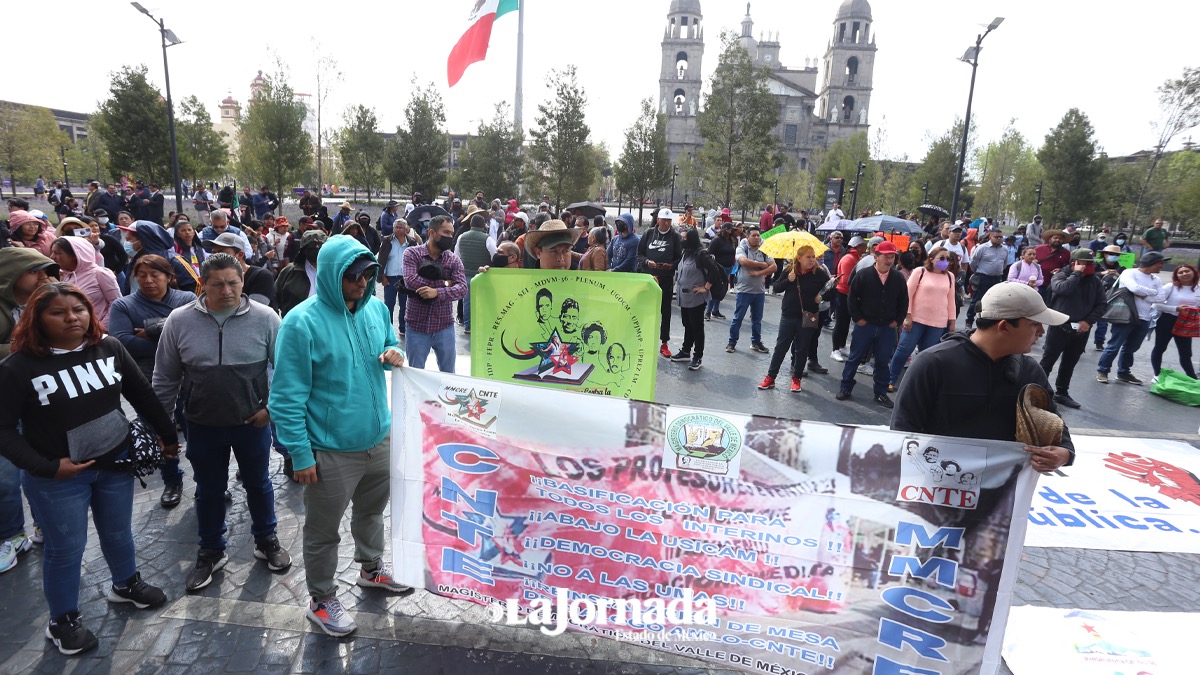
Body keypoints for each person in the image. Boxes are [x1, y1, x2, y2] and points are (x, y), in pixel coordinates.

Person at [0, 283, 179, 655]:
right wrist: (46, 467)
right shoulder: (18, 367)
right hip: (58, 477)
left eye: (79, 309)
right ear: (37, 318)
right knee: (66, 548)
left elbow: (141, 393)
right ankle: (62, 620)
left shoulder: (109, 347)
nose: (72, 318)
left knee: (117, 532)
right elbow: (3, 430)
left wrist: (168, 436)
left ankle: (126, 584)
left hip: (114, 463)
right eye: (59, 312)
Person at [269, 236, 408, 637]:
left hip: (377, 439)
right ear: (331, 273)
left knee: (371, 513)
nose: (362, 282)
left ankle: (370, 568)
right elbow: (285, 398)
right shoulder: (301, 322)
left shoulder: (377, 310)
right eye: (353, 275)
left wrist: (394, 353)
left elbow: (389, 344)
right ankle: (321, 599)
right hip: (329, 451)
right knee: (322, 531)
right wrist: (300, 453)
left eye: (368, 273)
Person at [153, 254, 290, 592]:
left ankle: (265, 539)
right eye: (218, 284)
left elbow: (289, 370)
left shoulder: (266, 318)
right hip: (201, 423)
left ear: (243, 282)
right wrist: (163, 426)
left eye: (233, 282)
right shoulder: (178, 321)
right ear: (203, 284)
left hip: (252, 423)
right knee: (209, 489)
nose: (227, 290)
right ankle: (211, 550)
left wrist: (270, 410)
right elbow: (165, 378)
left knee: (258, 483)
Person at [892, 283, 1075, 473]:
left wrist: (1064, 453)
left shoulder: (1030, 371)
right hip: (936, 487)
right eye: (1034, 324)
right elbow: (903, 429)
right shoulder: (932, 364)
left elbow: (1054, 423)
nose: (1042, 332)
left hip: (1003, 491)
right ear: (1004, 326)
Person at [108, 255, 197, 508]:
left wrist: (150, 330)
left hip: (189, 380)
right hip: (147, 382)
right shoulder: (123, 306)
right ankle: (172, 480)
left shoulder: (187, 300)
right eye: (141, 275)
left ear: (168, 276)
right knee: (159, 431)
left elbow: (194, 336)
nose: (148, 281)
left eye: (154, 275)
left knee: (196, 433)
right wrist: (172, 336)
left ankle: (205, 480)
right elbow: (123, 343)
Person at [836, 241, 907, 408]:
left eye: (892, 257)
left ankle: (880, 392)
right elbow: (852, 298)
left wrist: (897, 320)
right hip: (865, 325)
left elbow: (903, 301)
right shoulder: (864, 274)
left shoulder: (897, 277)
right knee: (854, 358)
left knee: (882, 361)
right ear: (876, 257)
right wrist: (858, 318)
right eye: (886, 257)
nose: (889, 260)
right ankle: (845, 387)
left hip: (887, 327)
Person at [758, 245, 834, 393]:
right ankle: (771, 377)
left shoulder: (819, 273)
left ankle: (796, 378)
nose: (812, 260)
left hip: (808, 316)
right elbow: (777, 288)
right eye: (808, 257)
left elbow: (833, 291)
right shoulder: (789, 270)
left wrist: (822, 297)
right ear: (799, 258)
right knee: (781, 348)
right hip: (788, 316)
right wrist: (789, 280)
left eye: (813, 257)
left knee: (802, 349)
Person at [1039, 249, 1108, 409]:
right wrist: (1076, 274)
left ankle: (1062, 392)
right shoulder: (1060, 276)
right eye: (1084, 263)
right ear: (1074, 263)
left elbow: (1102, 304)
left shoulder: (1095, 281)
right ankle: (1038, 389)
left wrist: (1088, 321)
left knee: (1069, 363)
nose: (1088, 267)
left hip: (1081, 329)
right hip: (1060, 327)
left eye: (1090, 263)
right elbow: (1062, 289)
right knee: (1047, 361)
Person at [402, 216, 468, 372]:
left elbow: (462, 289)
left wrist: (436, 292)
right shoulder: (412, 254)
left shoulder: (454, 260)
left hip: (443, 326)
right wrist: (446, 283)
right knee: (415, 375)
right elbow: (411, 281)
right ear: (432, 232)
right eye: (446, 232)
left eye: (452, 233)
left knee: (448, 377)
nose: (450, 237)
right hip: (416, 325)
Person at [887, 247, 957, 393]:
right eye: (942, 258)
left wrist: (952, 321)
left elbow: (951, 300)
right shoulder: (920, 272)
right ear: (931, 258)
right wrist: (907, 315)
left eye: (948, 259)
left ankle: (917, 383)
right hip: (916, 319)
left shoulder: (950, 276)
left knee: (927, 355)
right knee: (904, 350)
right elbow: (908, 295)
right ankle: (891, 379)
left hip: (938, 322)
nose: (946, 262)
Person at [1096, 252, 1169, 385]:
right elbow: (1134, 288)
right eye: (1160, 263)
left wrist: (1144, 295)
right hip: (1125, 316)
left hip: (1145, 318)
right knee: (1114, 346)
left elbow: (1161, 298)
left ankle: (1123, 372)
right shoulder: (1129, 273)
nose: (1162, 266)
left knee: (1131, 348)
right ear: (1151, 263)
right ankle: (1103, 370)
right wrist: (1152, 292)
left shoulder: (1156, 280)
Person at [670, 228, 721, 371]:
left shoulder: (701, 254)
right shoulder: (686, 252)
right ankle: (686, 351)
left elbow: (714, 270)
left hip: (697, 298)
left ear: (691, 239)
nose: (682, 240)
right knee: (687, 324)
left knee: (697, 327)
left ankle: (697, 356)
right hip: (684, 297)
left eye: (684, 238)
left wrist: (706, 287)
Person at [49, 237, 121, 329]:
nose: (52, 257)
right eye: (52, 252)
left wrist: (101, 327)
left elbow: (116, 303)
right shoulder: (65, 275)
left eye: (57, 253)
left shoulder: (99, 274)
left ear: (75, 255)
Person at [639, 209, 683, 357]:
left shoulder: (675, 237)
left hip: (665, 278)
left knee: (665, 311)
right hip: (649, 278)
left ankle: (664, 342)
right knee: (646, 310)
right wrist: (646, 262)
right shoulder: (648, 233)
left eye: (669, 220)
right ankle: (644, 340)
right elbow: (639, 254)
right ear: (658, 220)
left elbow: (679, 258)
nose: (666, 223)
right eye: (664, 220)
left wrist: (671, 265)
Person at [726, 226, 775, 355]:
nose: (757, 238)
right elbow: (743, 260)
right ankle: (732, 342)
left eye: (758, 235)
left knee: (757, 319)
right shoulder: (742, 247)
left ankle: (756, 342)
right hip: (744, 290)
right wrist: (761, 264)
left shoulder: (764, 248)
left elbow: (774, 266)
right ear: (748, 237)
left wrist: (760, 273)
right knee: (738, 318)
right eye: (753, 235)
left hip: (759, 291)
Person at [1149, 264, 1198, 381]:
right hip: (1168, 320)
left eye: (1187, 271)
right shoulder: (1170, 287)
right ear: (1176, 276)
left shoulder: (1198, 288)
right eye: (1180, 273)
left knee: (1186, 353)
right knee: (1160, 348)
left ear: (1194, 273)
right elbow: (1155, 304)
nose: (1184, 274)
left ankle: (1193, 379)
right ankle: (1157, 374)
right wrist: (1176, 308)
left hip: (1187, 323)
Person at [203, 232, 275, 308]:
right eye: (214, 253)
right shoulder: (212, 277)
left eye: (222, 253)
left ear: (240, 254)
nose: (217, 257)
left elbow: (254, 311)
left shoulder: (262, 276)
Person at [455, 214, 496, 334]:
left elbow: (456, 256)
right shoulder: (488, 239)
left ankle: (468, 326)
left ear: (470, 224)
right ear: (484, 225)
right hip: (483, 275)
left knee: (467, 301)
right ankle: (484, 325)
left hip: (466, 274)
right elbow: (495, 256)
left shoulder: (461, 237)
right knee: (485, 301)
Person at [830, 236, 867, 362]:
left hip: (850, 294)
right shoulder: (849, 258)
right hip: (843, 293)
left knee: (845, 322)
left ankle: (842, 345)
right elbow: (846, 280)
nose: (866, 247)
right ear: (858, 246)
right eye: (864, 245)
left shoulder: (855, 258)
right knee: (840, 322)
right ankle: (835, 349)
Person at [276, 230, 328, 319]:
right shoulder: (289, 272)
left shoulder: (334, 273)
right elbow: (275, 298)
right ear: (304, 250)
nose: (317, 249)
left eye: (320, 247)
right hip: (295, 325)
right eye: (312, 247)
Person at [966, 229, 1009, 328]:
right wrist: (978, 272)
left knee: (994, 300)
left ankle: (988, 322)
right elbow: (973, 263)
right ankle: (969, 321)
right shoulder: (982, 248)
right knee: (977, 300)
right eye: (996, 237)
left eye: (1000, 237)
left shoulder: (1005, 249)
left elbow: (1004, 264)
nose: (999, 239)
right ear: (990, 237)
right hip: (983, 277)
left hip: (997, 278)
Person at [1093, 244, 1128, 351]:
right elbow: (1089, 276)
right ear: (1105, 254)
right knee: (1091, 321)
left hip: (1113, 297)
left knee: (1106, 322)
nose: (1114, 256)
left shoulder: (1122, 269)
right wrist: (1102, 273)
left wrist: (1118, 275)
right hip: (1095, 296)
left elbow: (1127, 282)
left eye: (1116, 254)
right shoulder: (1096, 265)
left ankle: (1101, 342)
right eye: (1111, 254)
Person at [706, 223, 737, 320]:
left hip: (728, 268)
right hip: (718, 268)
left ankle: (716, 310)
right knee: (714, 290)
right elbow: (709, 254)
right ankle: (708, 311)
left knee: (722, 290)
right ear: (726, 230)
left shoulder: (730, 240)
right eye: (731, 229)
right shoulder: (717, 240)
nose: (732, 231)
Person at [1033, 230, 1071, 302]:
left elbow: (1069, 267)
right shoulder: (1038, 249)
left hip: (1054, 285)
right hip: (1037, 283)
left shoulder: (1066, 253)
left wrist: (1061, 270)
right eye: (1055, 238)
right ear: (1050, 239)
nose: (1057, 240)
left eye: (1060, 238)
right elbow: (1027, 262)